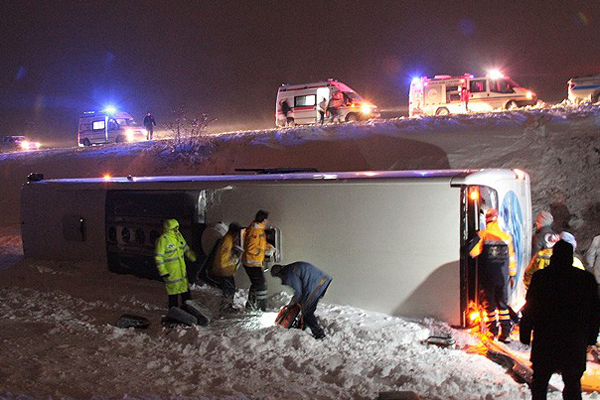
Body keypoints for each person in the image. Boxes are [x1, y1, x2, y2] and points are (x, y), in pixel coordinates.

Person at [520, 240, 600, 400]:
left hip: (546, 338)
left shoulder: (541, 277)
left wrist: (525, 332)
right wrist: (591, 335)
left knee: (540, 384)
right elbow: (595, 312)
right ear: (571, 257)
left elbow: (530, 307)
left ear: (554, 256)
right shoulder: (586, 280)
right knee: (572, 384)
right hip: (574, 340)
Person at [469, 208, 516, 342]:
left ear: (486, 220)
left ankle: (493, 332)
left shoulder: (483, 235)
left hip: (488, 277)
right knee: (503, 306)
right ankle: (506, 333)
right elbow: (512, 258)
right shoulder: (506, 237)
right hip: (503, 278)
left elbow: (472, 252)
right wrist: (512, 274)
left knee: (490, 306)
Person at [271, 262, 332, 339]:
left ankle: (319, 334)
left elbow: (299, 292)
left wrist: (291, 304)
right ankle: (304, 327)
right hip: (321, 280)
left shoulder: (288, 274)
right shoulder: (290, 269)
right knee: (305, 305)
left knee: (307, 310)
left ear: (279, 274)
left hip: (317, 284)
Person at [154, 219, 197, 309]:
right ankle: (174, 312)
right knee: (173, 294)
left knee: (185, 292)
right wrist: (163, 271)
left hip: (181, 271)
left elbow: (186, 249)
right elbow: (158, 257)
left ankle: (188, 310)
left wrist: (194, 258)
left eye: (177, 227)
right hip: (171, 273)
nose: (176, 229)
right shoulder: (163, 240)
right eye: (174, 227)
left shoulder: (178, 236)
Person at [242, 210, 275, 311]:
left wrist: (269, 247)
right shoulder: (256, 231)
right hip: (252, 263)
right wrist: (263, 252)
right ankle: (261, 308)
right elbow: (251, 248)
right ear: (264, 220)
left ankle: (250, 305)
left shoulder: (258, 229)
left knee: (256, 284)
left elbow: (260, 244)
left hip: (253, 262)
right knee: (261, 285)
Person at [209, 223, 243, 312]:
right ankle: (226, 308)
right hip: (224, 270)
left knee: (228, 289)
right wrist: (234, 258)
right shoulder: (227, 240)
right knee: (229, 289)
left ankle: (227, 306)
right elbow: (223, 257)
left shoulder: (228, 239)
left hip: (226, 270)